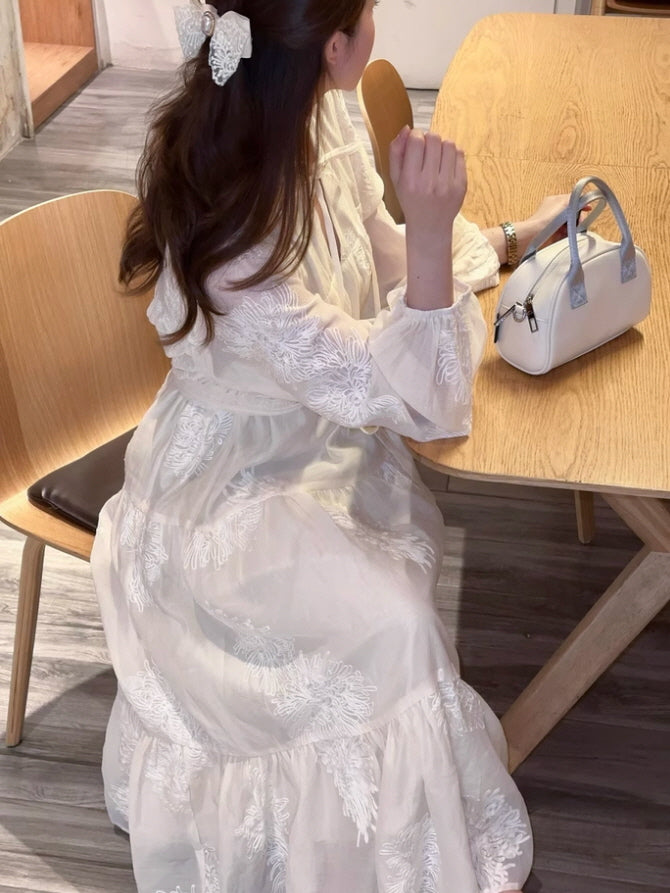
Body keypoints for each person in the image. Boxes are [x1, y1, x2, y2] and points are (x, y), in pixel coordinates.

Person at [91, 1, 567, 890]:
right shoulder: (239, 233)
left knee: (400, 606)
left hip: (306, 437)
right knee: (399, 628)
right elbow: (405, 397)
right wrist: (432, 236)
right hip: (228, 499)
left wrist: (495, 241)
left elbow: (374, 252)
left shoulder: (319, 108)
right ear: (334, 45)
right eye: (371, 11)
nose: (379, 21)